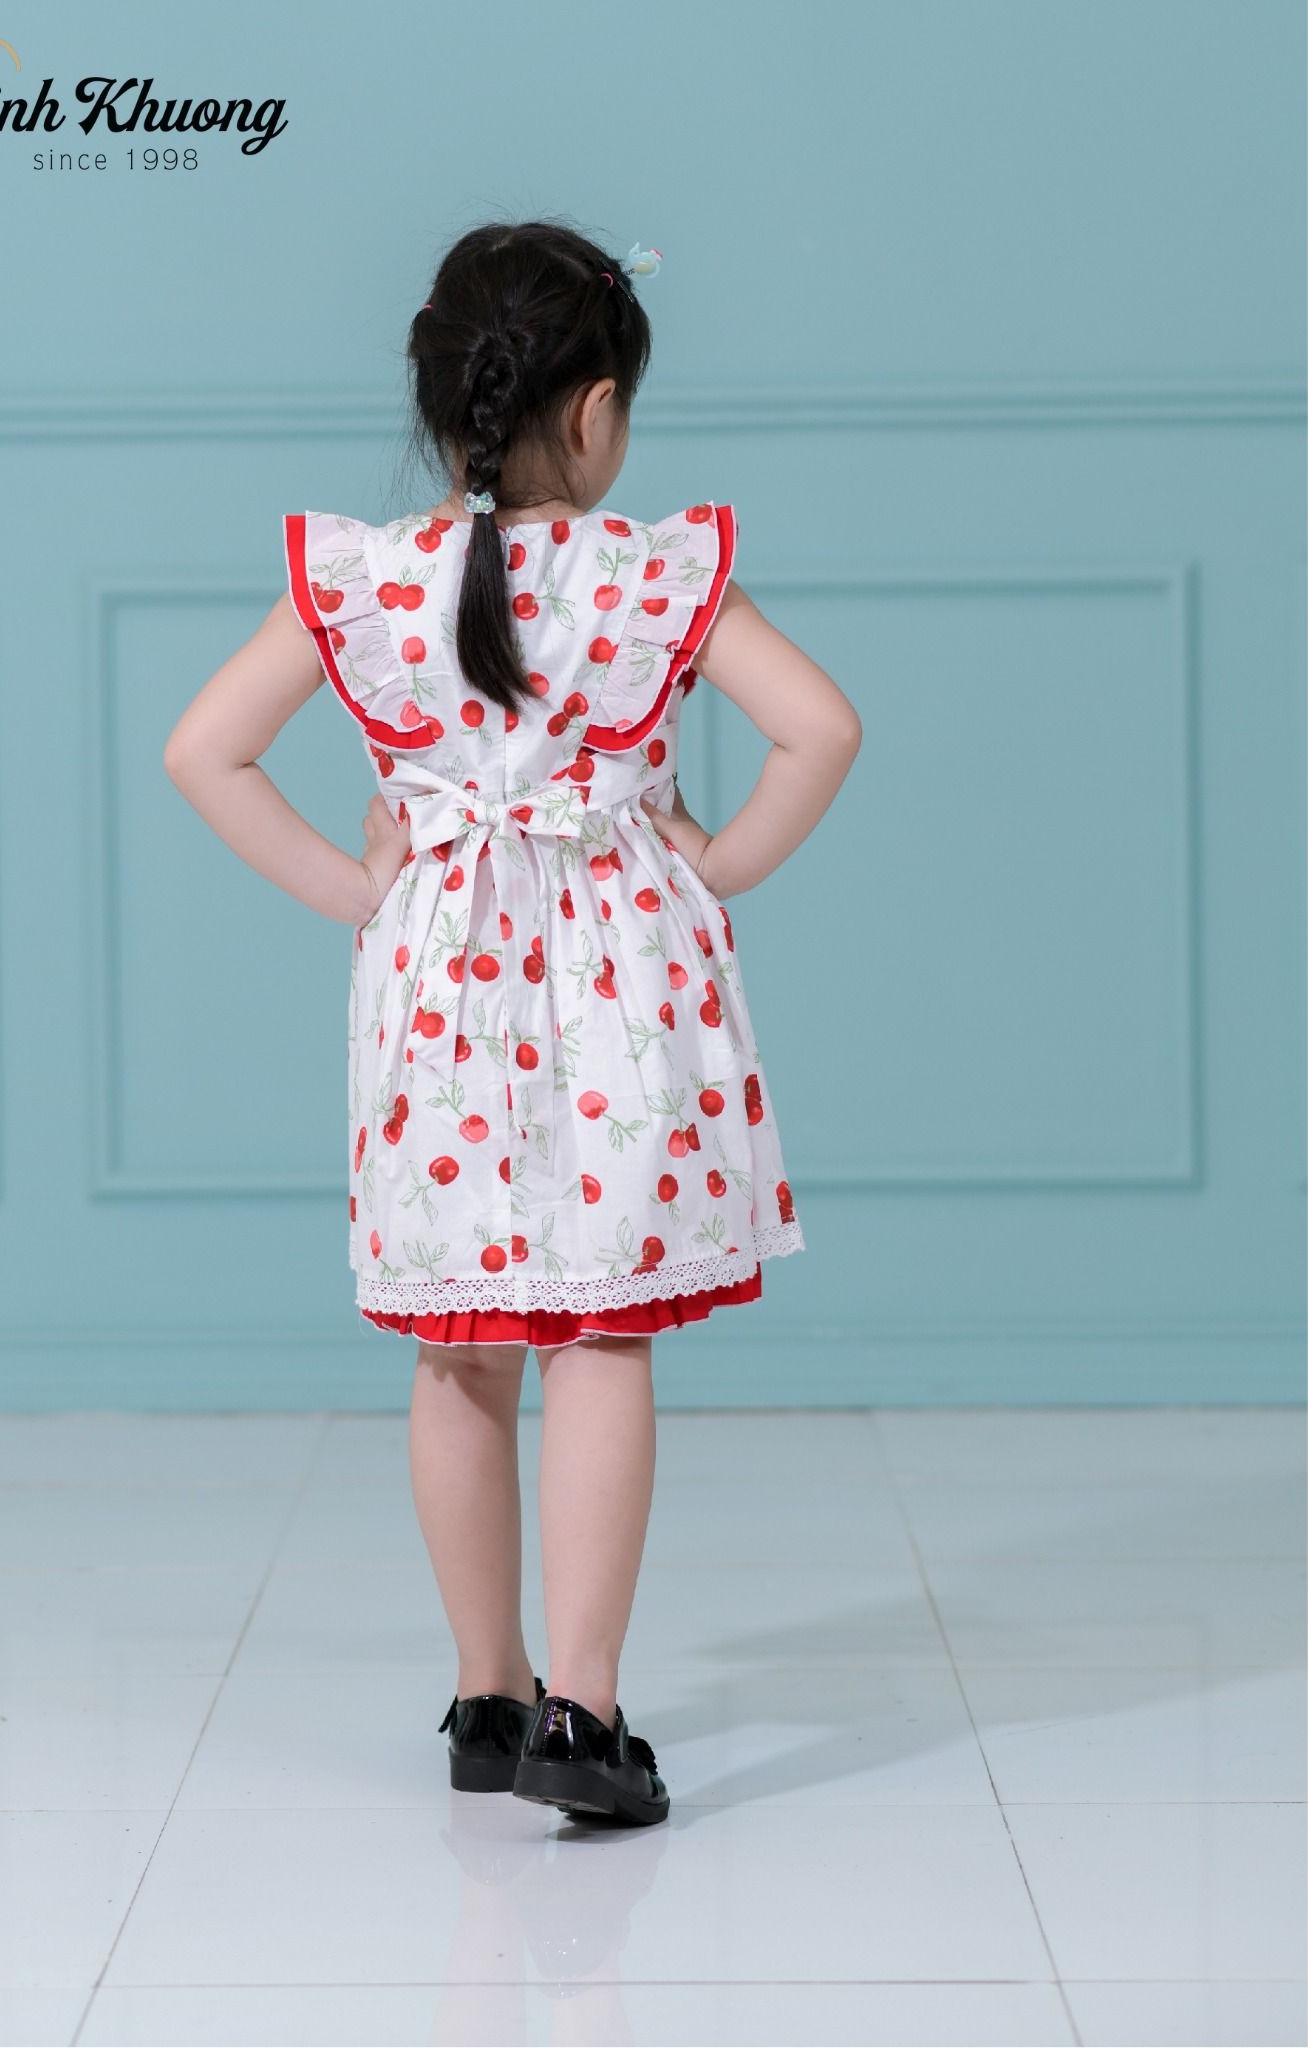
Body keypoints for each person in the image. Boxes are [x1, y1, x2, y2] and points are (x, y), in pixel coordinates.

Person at [163, 218, 862, 1828]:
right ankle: (584, 1717)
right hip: (622, 994)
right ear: (598, 411)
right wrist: (714, 862)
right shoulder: (653, 575)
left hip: (436, 994)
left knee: (458, 1347)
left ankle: (486, 1693)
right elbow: (822, 727)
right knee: (600, 1338)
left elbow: (205, 751)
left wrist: (365, 892)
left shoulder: (365, 578)